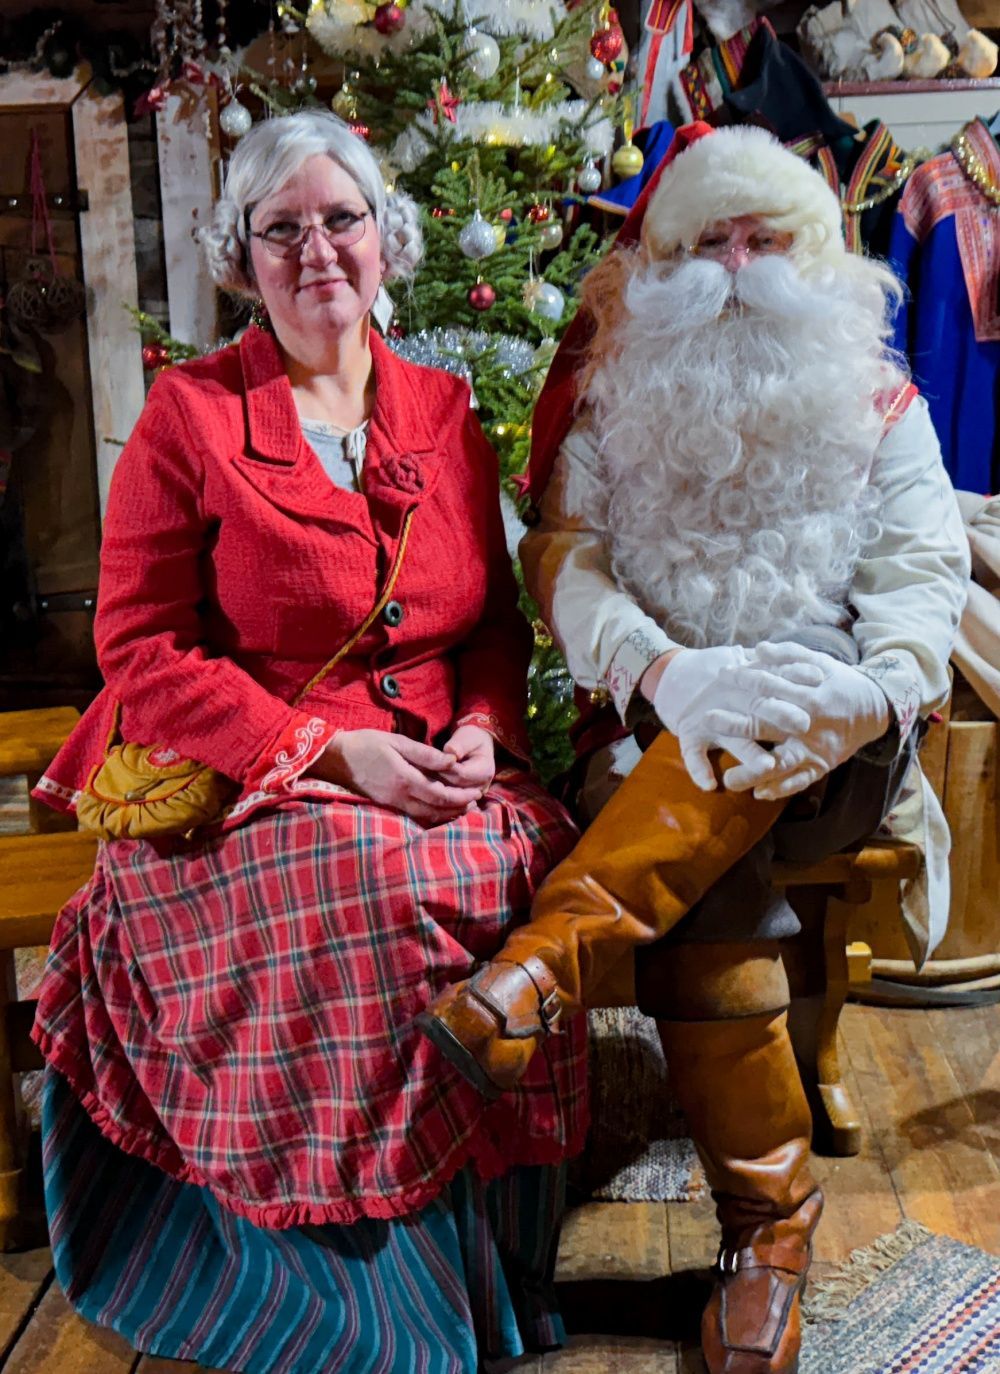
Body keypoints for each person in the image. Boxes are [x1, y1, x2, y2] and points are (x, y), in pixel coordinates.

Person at [29, 110, 587, 1374]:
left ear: (385, 241)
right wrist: (331, 760)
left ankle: (477, 1280)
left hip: (441, 765)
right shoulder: (191, 417)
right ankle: (361, 1316)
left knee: (491, 883)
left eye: (341, 220)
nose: (317, 249)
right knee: (373, 896)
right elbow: (142, 652)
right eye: (282, 230)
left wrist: (486, 731)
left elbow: (491, 624)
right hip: (247, 779)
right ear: (244, 258)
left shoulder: (444, 413)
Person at [421, 122, 970, 1374]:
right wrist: (668, 670)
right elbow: (560, 558)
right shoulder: (619, 396)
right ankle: (765, 1243)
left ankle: (542, 966)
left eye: (762, 240)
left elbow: (921, 582)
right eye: (707, 242)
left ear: (813, 256)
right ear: (657, 264)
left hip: (842, 744)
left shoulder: (877, 400)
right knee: (712, 860)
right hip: (659, 729)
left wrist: (854, 694)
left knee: (757, 732)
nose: (734, 267)